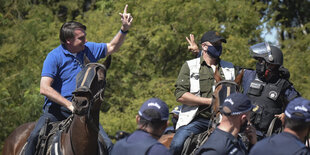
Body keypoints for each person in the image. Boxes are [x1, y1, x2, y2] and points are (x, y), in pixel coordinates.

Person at [24, 5, 133, 155]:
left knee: (109, 146)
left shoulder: (88, 48)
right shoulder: (54, 57)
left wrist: (124, 29)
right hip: (56, 112)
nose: (85, 40)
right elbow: (44, 88)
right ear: (68, 41)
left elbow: (113, 46)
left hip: (84, 112)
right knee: (33, 138)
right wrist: (69, 104)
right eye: (81, 38)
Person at [170, 31, 239, 155]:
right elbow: (180, 95)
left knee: (244, 143)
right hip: (197, 120)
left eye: (220, 44)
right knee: (176, 144)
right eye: (215, 44)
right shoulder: (190, 66)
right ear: (204, 46)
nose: (219, 46)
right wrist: (210, 102)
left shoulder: (230, 67)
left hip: (225, 121)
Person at [242, 42, 300, 139]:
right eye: (258, 61)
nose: (258, 64)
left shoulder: (283, 85)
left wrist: (286, 115)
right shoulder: (248, 75)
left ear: (271, 64)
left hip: (268, 138)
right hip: (244, 133)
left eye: (261, 61)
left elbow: (300, 105)